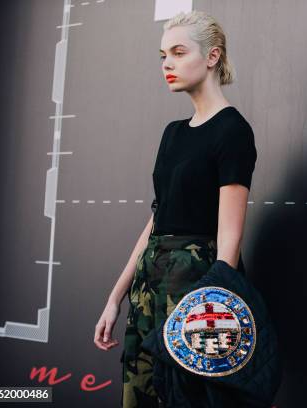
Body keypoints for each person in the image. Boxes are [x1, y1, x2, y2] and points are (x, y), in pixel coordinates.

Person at [93, 10, 258, 407]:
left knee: (190, 397)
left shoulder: (233, 130)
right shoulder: (173, 134)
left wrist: (213, 305)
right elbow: (158, 219)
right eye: (163, 54)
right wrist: (116, 297)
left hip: (197, 282)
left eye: (179, 52)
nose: (167, 63)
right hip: (151, 282)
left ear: (213, 56)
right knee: (142, 392)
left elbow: (230, 234)